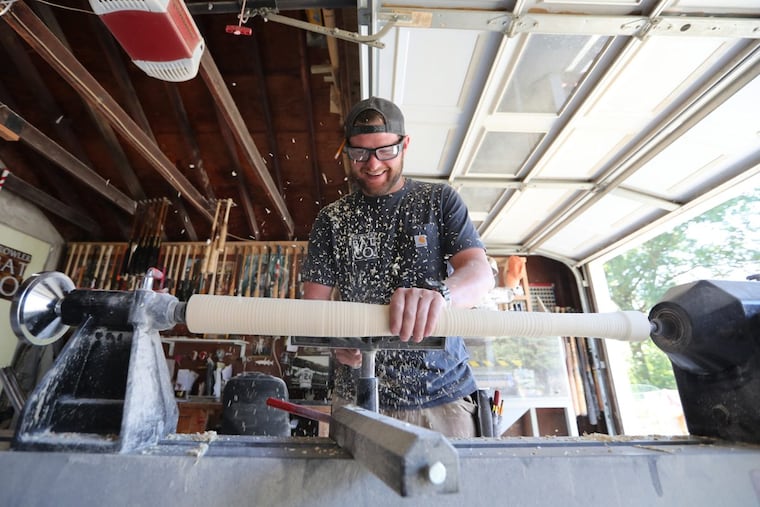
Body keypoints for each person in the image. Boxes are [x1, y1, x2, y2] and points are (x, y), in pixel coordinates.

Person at [300, 96, 494, 437]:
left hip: (442, 395)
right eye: (359, 153)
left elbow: (479, 274)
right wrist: (334, 340)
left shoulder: (439, 200)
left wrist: (442, 296)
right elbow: (313, 305)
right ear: (346, 150)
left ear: (405, 144)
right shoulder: (332, 219)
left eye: (385, 151)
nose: (372, 165)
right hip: (357, 396)